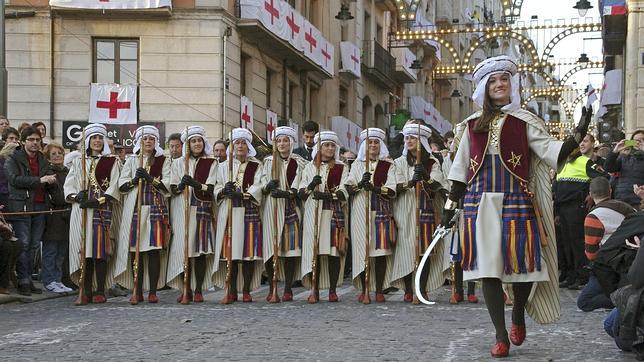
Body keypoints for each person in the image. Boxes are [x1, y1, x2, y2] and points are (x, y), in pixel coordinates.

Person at [441, 55, 591, 358]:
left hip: (516, 199)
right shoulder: (470, 126)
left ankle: (519, 312)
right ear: (484, 87)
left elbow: (553, 152)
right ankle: (500, 336)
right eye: (493, 80)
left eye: (504, 79)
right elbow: (459, 170)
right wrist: (450, 203)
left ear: (512, 85)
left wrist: (578, 132)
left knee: (522, 267)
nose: (499, 85)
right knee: (489, 271)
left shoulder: (526, 121)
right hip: (478, 203)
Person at [391, 121, 448, 302]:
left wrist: (425, 177)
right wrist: (409, 183)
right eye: (406, 138)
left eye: (412, 138)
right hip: (405, 209)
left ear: (421, 141)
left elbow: (439, 184)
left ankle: (421, 289)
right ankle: (409, 288)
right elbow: (395, 183)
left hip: (426, 210)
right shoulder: (399, 162)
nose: (408, 141)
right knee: (406, 250)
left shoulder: (432, 163)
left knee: (424, 251)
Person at [64, 123, 121, 304]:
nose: (97, 141)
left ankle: (100, 290)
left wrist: (99, 201)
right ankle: (85, 290)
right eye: (94, 138)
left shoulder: (112, 161)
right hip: (81, 211)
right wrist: (76, 196)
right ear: (88, 140)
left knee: (100, 251)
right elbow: (69, 185)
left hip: (101, 211)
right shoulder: (78, 161)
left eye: (100, 138)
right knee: (84, 251)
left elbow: (115, 186)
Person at [115, 126, 171, 304]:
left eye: (151, 139)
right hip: (136, 210)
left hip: (155, 208)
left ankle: (153, 291)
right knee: (135, 251)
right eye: (145, 138)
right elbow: (121, 185)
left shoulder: (163, 161)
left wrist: (150, 178)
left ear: (156, 142)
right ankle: (137, 290)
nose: (148, 141)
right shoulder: (132, 160)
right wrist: (133, 180)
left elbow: (167, 184)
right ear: (140, 141)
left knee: (153, 251)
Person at [345, 128, 396, 303]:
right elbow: (349, 186)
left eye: (376, 142)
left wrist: (375, 188)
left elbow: (391, 188)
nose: (373, 145)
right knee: (363, 251)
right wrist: (360, 184)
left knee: (380, 252)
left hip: (380, 211)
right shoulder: (357, 165)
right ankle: (365, 287)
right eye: (370, 142)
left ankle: (380, 289)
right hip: (361, 212)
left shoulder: (388, 165)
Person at [167, 126, 217, 303]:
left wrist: (195, 184)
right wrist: (181, 185)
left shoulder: (211, 162)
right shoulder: (179, 162)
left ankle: (198, 289)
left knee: (200, 250)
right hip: (182, 209)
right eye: (193, 141)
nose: (197, 144)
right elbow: (172, 187)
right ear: (187, 144)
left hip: (201, 208)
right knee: (184, 250)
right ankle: (185, 287)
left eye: (199, 141)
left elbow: (211, 187)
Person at [297, 131, 348, 303]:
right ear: (320, 147)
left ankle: (333, 290)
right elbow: (302, 192)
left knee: (333, 252)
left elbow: (344, 190)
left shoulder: (342, 167)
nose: (330, 148)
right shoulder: (310, 167)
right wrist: (312, 185)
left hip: (333, 213)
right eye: (326, 145)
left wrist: (328, 196)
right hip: (314, 213)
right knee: (315, 252)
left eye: (333, 145)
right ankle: (315, 289)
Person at [5, 126, 56, 296]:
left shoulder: (42, 159)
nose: (35, 143)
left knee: (34, 246)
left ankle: (29, 281)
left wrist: (51, 180)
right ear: (23, 141)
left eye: (37, 140)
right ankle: (24, 281)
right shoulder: (14, 157)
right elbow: (14, 179)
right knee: (24, 245)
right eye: (31, 140)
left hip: (40, 206)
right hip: (21, 206)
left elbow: (50, 176)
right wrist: (39, 180)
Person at [214, 128, 264, 303]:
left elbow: (259, 184)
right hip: (229, 211)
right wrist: (223, 191)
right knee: (231, 253)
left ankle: (247, 290)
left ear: (248, 145)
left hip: (248, 210)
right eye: (237, 143)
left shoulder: (257, 165)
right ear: (232, 146)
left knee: (248, 253)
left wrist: (243, 194)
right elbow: (217, 185)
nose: (240, 146)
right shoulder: (222, 166)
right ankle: (232, 289)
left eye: (243, 143)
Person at [554, 134, 608, 290]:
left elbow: (603, 176)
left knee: (578, 243)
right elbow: (556, 188)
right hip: (562, 208)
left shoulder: (585, 162)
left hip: (576, 207)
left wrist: (591, 194)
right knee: (566, 243)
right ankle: (571, 275)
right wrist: (557, 212)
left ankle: (582, 276)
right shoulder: (562, 164)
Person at [260, 126, 307, 302]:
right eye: (278, 141)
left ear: (291, 143)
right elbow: (262, 181)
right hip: (272, 208)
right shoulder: (267, 161)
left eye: (285, 141)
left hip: (290, 208)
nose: (281, 144)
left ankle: (288, 287)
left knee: (290, 250)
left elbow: (300, 182)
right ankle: (272, 287)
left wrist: (288, 193)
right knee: (270, 249)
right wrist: (267, 186)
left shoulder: (299, 162)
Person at [578, 177, 635, 312]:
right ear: (610, 190)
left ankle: (621, 300)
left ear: (590, 194)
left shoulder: (594, 216)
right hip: (631, 261)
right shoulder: (629, 208)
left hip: (608, 267)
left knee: (584, 302)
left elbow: (591, 254)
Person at [41, 143, 73, 293]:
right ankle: (49, 280)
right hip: (54, 215)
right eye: (53, 154)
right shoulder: (48, 172)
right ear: (48, 157)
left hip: (66, 214)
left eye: (60, 153)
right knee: (51, 250)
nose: (58, 156)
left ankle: (58, 280)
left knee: (61, 251)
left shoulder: (68, 171)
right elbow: (57, 196)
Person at [603, 130, 644, 208]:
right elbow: (608, 168)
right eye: (635, 141)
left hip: (639, 201)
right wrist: (615, 151)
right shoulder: (624, 157)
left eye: (641, 140)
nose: (638, 143)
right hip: (622, 200)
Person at [0, 128, 20, 208]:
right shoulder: (1, 158)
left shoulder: (20, 156)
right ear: (4, 140)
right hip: (4, 196)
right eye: (11, 138)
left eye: (16, 139)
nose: (14, 141)